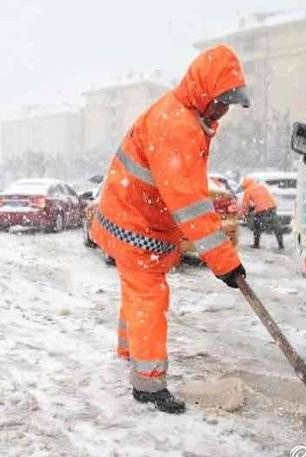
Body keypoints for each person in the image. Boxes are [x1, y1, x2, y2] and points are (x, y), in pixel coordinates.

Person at [90, 45, 250, 414]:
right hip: (135, 222)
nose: (224, 109)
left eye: (231, 102)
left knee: (137, 289)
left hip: (127, 213)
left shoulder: (184, 114)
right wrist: (225, 262)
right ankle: (148, 385)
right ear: (204, 91)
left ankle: (129, 350)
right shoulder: (177, 125)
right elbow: (190, 206)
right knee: (149, 294)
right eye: (222, 100)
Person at [240, 178, 283, 250]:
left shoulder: (248, 190)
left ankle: (256, 244)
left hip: (261, 209)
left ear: (245, 185)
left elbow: (245, 205)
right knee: (276, 226)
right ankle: (281, 245)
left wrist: (244, 214)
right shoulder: (261, 186)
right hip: (272, 207)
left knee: (257, 226)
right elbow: (265, 197)